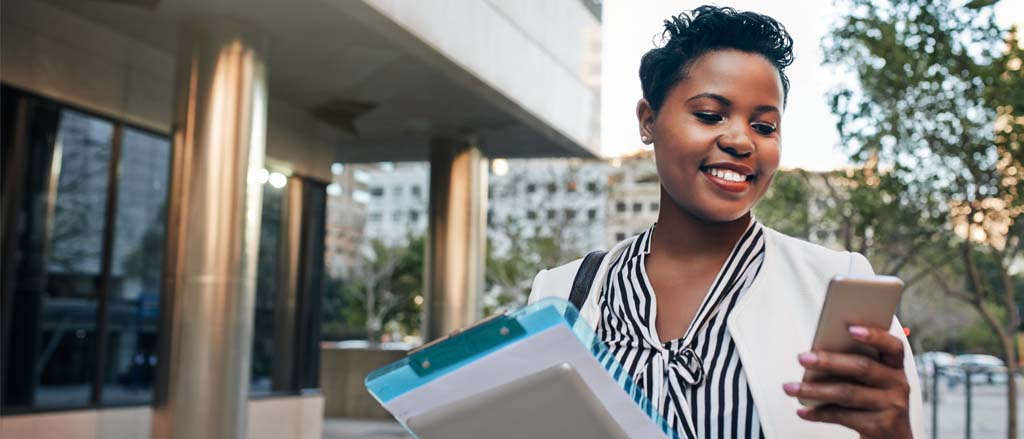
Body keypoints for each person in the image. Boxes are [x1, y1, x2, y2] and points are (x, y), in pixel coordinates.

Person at [528, 6, 923, 439]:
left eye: (764, 125)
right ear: (648, 121)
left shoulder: (834, 285)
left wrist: (896, 433)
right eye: (710, 115)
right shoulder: (562, 293)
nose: (740, 140)